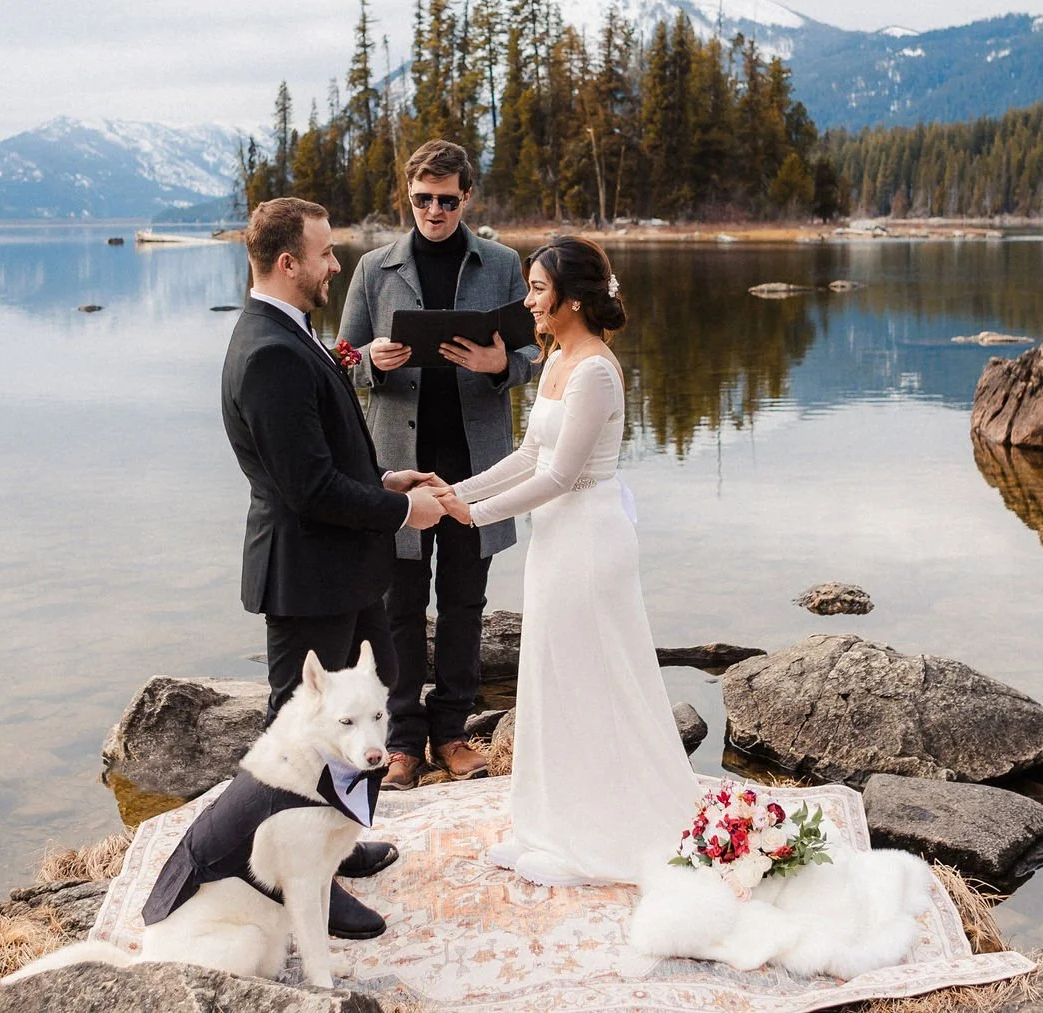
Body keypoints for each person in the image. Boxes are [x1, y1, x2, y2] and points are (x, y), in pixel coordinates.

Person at [436, 237, 697, 887]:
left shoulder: (596, 371)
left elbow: (558, 475)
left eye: (537, 289)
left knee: (588, 682)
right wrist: (455, 491)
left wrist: (477, 515)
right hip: (555, 541)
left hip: (589, 539)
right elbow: (528, 457)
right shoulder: (554, 357)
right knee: (551, 675)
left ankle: (592, 843)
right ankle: (546, 825)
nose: (527, 299)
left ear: (572, 299)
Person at [219, 196, 446, 938]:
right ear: (288, 262)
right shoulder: (269, 352)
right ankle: (299, 885)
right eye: (324, 253)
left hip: (341, 570)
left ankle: (338, 850)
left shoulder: (292, 334)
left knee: (353, 725)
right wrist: (400, 514)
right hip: (307, 575)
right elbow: (306, 488)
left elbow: (325, 459)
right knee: (298, 742)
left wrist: (386, 483)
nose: (334, 264)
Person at [337, 140, 540, 789]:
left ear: (466, 197)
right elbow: (339, 361)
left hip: (476, 465)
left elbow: (537, 351)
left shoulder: (503, 263)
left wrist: (499, 366)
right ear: (409, 195)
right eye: (423, 199)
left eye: (447, 199)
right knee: (396, 605)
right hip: (398, 466)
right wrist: (370, 358)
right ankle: (401, 742)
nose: (434, 210)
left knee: (463, 600)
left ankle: (452, 732)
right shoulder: (373, 267)